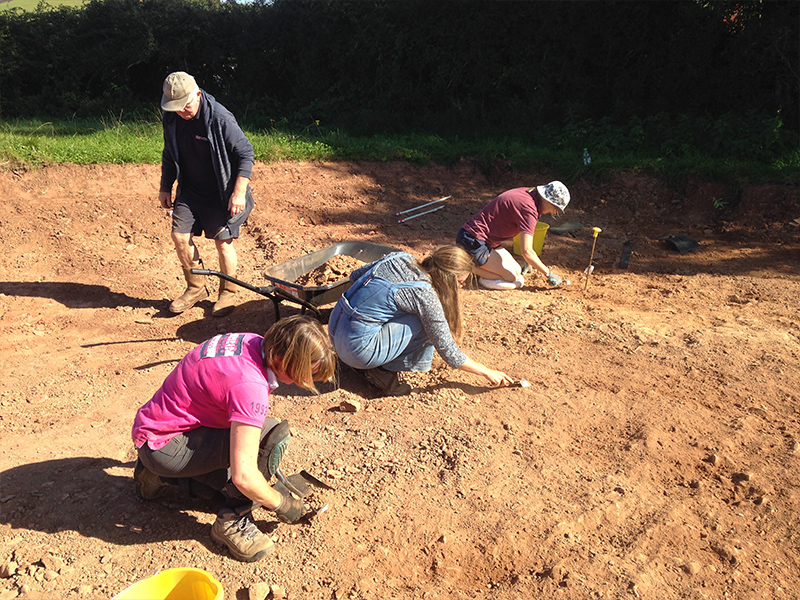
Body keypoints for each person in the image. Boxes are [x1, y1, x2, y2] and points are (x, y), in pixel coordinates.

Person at [131, 315, 337, 562]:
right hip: (165, 446)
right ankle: (231, 520)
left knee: (242, 471)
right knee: (267, 439)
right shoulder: (249, 385)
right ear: (281, 360)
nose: (300, 382)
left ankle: (157, 472)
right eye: (301, 373)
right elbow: (244, 476)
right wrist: (282, 505)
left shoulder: (251, 342)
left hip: (156, 428)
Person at [328, 246, 514, 396]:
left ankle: (368, 359)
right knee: (424, 321)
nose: (461, 287)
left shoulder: (400, 257)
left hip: (335, 329)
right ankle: (383, 372)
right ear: (448, 279)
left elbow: (354, 276)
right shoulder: (424, 295)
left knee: (406, 310)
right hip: (356, 351)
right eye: (460, 282)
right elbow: (448, 350)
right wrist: (487, 371)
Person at [158, 71, 256, 317]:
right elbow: (169, 153)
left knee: (223, 243)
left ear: (198, 94)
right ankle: (196, 287)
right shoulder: (171, 118)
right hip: (190, 190)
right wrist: (165, 186)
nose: (181, 111)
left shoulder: (220, 118)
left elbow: (245, 152)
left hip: (220, 192)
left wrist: (239, 192)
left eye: (185, 105)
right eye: (176, 107)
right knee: (179, 237)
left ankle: (228, 292)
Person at [456, 182, 571, 290]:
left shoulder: (529, 194)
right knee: (510, 278)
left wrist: (531, 261)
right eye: (556, 208)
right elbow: (526, 251)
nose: (555, 212)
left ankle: (481, 266)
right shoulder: (528, 209)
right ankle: (469, 267)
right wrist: (548, 273)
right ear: (547, 200)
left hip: (486, 240)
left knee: (517, 271)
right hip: (473, 240)